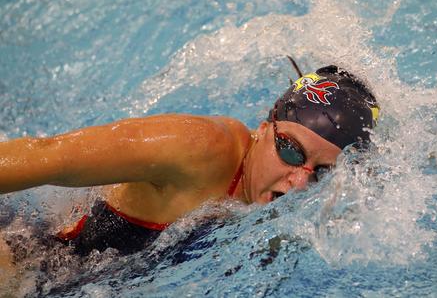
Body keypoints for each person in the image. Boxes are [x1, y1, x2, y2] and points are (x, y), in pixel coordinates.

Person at [0, 63, 379, 259]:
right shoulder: (199, 148)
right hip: (33, 258)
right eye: (290, 150)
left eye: (321, 171)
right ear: (265, 127)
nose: (298, 183)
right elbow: (49, 154)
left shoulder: (309, 203)